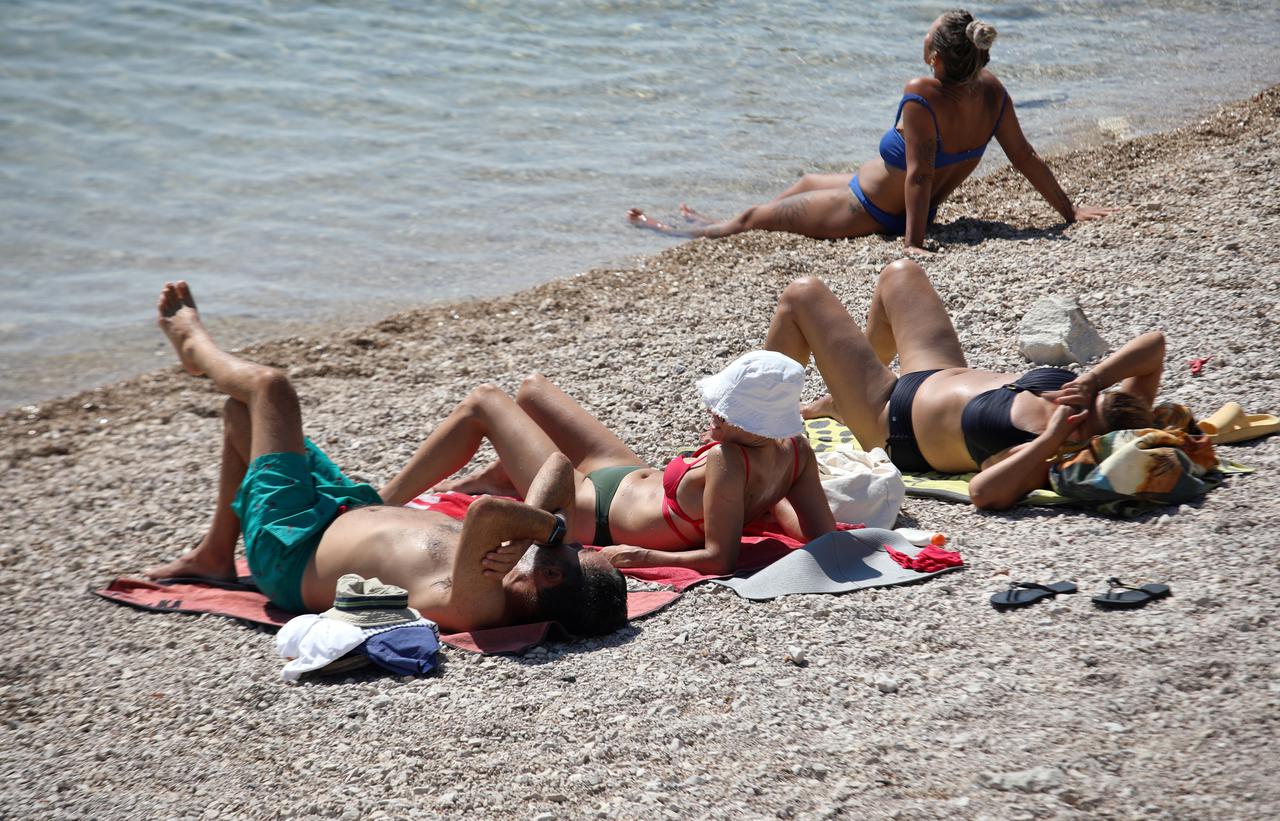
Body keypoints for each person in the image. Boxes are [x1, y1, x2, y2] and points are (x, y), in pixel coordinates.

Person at [143, 282, 627, 636]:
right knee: (241, 413)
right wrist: (546, 530)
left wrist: (546, 529)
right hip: (343, 510)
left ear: (552, 573)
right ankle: (214, 553)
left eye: (581, 552)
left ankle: (193, 345)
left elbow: (485, 512)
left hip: (292, 547)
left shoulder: (480, 605)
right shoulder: (526, 562)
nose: (582, 542)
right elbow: (558, 469)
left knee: (270, 389)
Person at [628, 9, 1113, 246]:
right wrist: (1068, 211)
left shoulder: (923, 91)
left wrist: (913, 244)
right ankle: (710, 220)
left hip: (869, 209)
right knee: (802, 182)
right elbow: (1024, 157)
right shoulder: (992, 92)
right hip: (870, 189)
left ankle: (679, 231)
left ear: (935, 57)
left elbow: (920, 175)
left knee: (755, 216)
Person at [378, 351, 837, 575]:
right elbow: (819, 534)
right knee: (532, 391)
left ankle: (377, 503)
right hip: (627, 475)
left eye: (726, 411)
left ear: (755, 425)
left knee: (484, 402)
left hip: (588, 509)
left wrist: (642, 556)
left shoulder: (726, 461)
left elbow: (720, 559)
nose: (712, 412)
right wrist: (762, 501)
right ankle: (499, 478)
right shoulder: (794, 452)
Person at [764, 260, 1165, 510]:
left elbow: (983, 492)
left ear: (1098, 448)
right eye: (1082, 406)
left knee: (801, 296)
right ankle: (843, 394)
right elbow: (1154, 347)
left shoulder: (1051, 456)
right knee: (900, 274)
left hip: (890, 419)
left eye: (1081, 424)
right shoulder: (1097, 401)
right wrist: (1092, 381)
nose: (1074, 413)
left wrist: (1051, 439)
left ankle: (755, 435)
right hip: (937, 370)